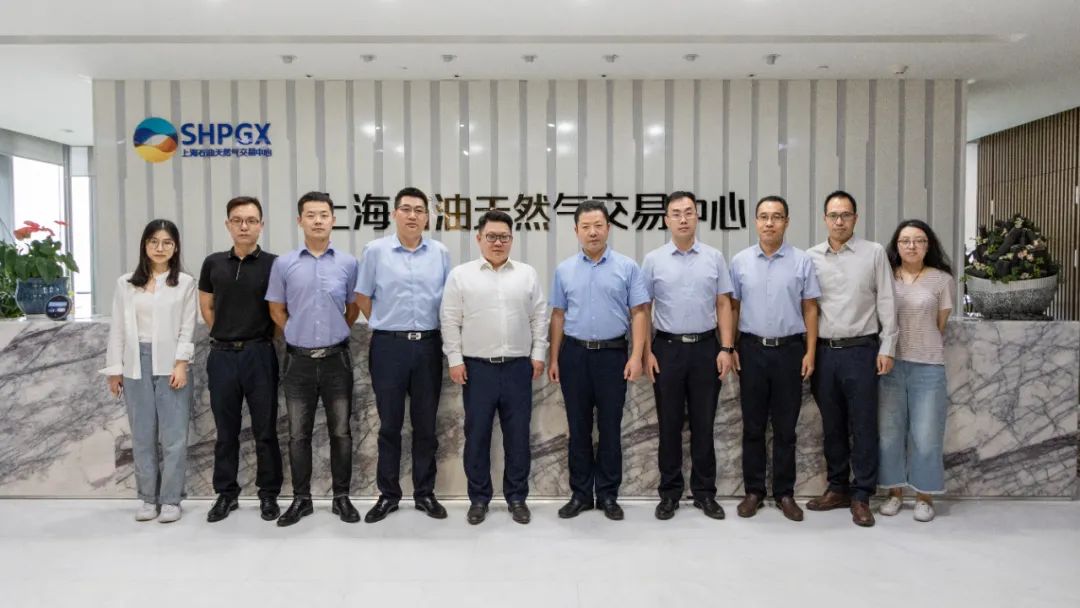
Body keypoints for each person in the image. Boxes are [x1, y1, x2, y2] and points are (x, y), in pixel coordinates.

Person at [440, 210, 548, 525]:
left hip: (518, 368)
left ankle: (517, 498)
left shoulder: (527, 274)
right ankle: (479, 499)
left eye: (504, 237)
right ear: (479, 238)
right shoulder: (461, 275)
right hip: (477, 370)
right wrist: (455, 360)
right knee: (477, 437)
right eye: (491, 236)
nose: (498, 242)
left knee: (518, 437)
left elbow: (539, 316)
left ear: (511, 239)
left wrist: (538, 353)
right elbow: (450, 319)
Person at [355, 187, 451, 523]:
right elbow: (362, 296)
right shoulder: (375, 251)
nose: (413, 215)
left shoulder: (440, 253)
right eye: (406, 209)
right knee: (389, 425)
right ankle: (388, 495)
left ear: (427, 217)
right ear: (394, 213)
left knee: (426, 425)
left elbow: (448, 301)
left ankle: (425, 493)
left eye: (419, 210)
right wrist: (386, 323)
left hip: (428, 346)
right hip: (388, 347)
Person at [549, 200, 649, 521]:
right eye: (586, 227)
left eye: (598, 226)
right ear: (576, 230)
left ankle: (607, 494)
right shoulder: (564, 270)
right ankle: (580, 494)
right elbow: (558, 316)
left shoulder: (627, 267)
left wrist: (636, 356)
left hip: (613, 356)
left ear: (608, 228)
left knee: (610, 428)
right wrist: (554, 358)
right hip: (574, 356)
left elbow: (639, 313)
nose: (592, 232)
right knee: (578, 429)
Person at [266, 191, 361, 527]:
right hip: (299, 362)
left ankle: (341, 498)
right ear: (300, 220)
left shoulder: (348, 263)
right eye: (311, 215)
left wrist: (336, 329)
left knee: (341, 432)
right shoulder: (284, 264)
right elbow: (276, 309)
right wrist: (297, 331)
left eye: (323, 215)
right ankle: (301, 499)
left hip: (337, 360)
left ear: (333, 220)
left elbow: (353, 307)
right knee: (298, 434)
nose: (318, 220)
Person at [806, 190, 898, 528]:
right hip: (824, 352)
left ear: (855, 218)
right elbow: (807, 307)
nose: (839, 221)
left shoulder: (873, 253)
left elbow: (887, 300)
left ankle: (861, 494)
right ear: (824, 219)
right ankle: (837, 488)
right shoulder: (811, 257)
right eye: (833, 215)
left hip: (862, 350)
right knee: (832, 426)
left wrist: (888, 346)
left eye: (845, 215)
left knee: (863, 425)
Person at [642, 191, 735, 521]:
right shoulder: (653, 260)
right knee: (668, 426)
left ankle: (705, 493)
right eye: (676, 213)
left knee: (704, 424)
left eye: (689, 212)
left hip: (706, 348)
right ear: (666, 220)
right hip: (667, 349)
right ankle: (669, 493)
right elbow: (643, 309)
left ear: (697, 217)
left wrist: (726, 348)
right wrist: (646, 352)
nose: (683, 219)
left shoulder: (714, 257)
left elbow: (723, 304)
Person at [728, 195, 820, 523]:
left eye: (776, 217)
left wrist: (810, 351)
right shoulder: (740, 261)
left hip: (789, 351)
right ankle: (754, 491)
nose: (770, 223)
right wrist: (730, 347)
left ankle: (784, 493)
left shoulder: (802, 261)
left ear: (786, 222)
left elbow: (811, 308)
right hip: (751, 350)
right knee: (752, 426)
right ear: (755, 221)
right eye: (764, 217)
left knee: (786, 428)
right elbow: (733, 307)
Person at [101, 219, 197, 523]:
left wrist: (181, 364)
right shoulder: (126, 283)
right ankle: (147, 498)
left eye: (167, 242)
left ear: (175, 247)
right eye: (154, 241)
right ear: (145, 245)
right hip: (135, 364)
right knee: (142, 435)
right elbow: (118, 328)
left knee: (174, 437)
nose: (160, 248)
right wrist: (115, 370)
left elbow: (187, 327)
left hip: (171, 364)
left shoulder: (184, 283)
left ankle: (171, 499)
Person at [198, 196, 283, 523]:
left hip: (259, 354)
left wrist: (256, 339)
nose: (244, 226)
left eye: (251, 220)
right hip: (222, 357)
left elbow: (279, 312)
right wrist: (226, 333)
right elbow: (207, 307)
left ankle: (268, 494)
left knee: (266, 430)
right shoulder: (213, 263)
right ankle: (226, 494)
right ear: (228, 224)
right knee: (225, 431)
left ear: (261, 225)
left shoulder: (275, 264)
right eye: (237, 220)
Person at [878, 219, 954, 522]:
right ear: (896, 246)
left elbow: (940, 324)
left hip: (928, 366)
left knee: (926, 433)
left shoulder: (941, 280)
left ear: (928, 245)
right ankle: (894, 492)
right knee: (889, 433)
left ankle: (924, 496)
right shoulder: (886, 277)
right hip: (890, 365)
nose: (912, 246)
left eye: (919, 240)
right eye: (905, 240)